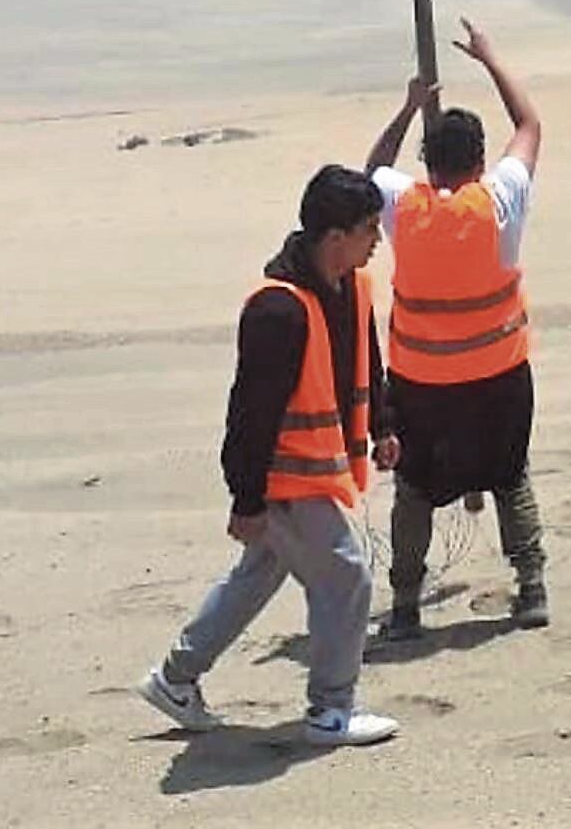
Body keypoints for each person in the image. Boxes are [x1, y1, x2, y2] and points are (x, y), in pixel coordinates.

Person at [135, 165, 399, 747]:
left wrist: (383, 425)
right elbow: (249, 412)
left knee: (258, 576)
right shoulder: (276, 310)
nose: (377, 240)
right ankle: (331, 711)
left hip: (314, 475)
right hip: (285, 479)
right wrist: (246, 498)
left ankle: (175, 679)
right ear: (335, 238)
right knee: (346, 578)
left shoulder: (355, 286)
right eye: (369, 229)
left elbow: (366, 362)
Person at [365, 18, 548, 640]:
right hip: (498, 375)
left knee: (415, 489)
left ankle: (407, 605)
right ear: (477, 161)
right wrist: (492, 59)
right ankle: (530, 588)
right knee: (509, 475)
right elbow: (529, 127)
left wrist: (408, 105)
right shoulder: (498, 201)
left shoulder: (403, 207)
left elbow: (373, 168)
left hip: (421, 382)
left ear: (429, 164)